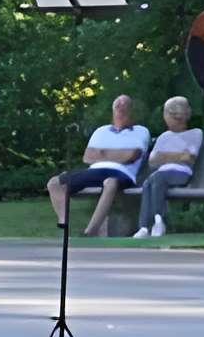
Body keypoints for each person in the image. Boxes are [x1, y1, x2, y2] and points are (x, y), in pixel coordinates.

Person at [46, 96, 150, 237]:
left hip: (122, 172)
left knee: (110, 183)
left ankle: (90, 231)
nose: (121, 104)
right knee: (54, 183)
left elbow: (132, 155)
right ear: (113, 109)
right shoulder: (101, 131)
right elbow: (88, 157)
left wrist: (102, 152)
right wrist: (119, 154)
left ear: (131, 111)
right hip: (95, 171)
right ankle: (65, 224)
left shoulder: (140, 131)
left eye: (125, 103)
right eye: (118, 102)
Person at [135, 96, 204, 240]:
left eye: (166, 114)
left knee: (156, 178)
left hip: (182, 173)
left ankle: (158, 221)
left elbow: (189, 158)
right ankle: (144, 227)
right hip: (161, 175)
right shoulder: (164, 136)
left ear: (176, 116)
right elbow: (152, 160)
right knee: (148, 182)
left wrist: (164, 156)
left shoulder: (195, 133)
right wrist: (178, 155)